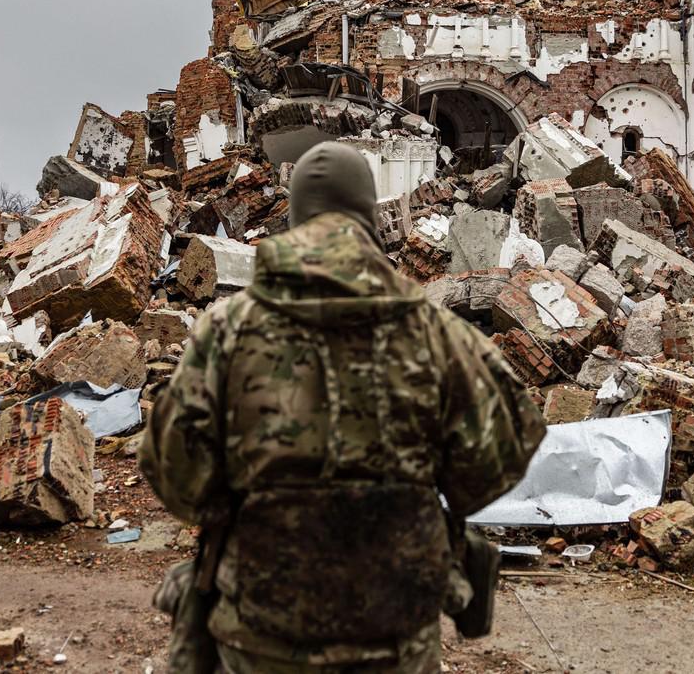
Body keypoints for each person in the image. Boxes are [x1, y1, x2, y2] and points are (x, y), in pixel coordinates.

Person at [140, 141, 545, 674]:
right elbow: (504, 450)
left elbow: (176, 476)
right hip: (395, 635)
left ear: (295, 215)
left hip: (262, 634)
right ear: (367, 215)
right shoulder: (432, 330)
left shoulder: (228, 330)